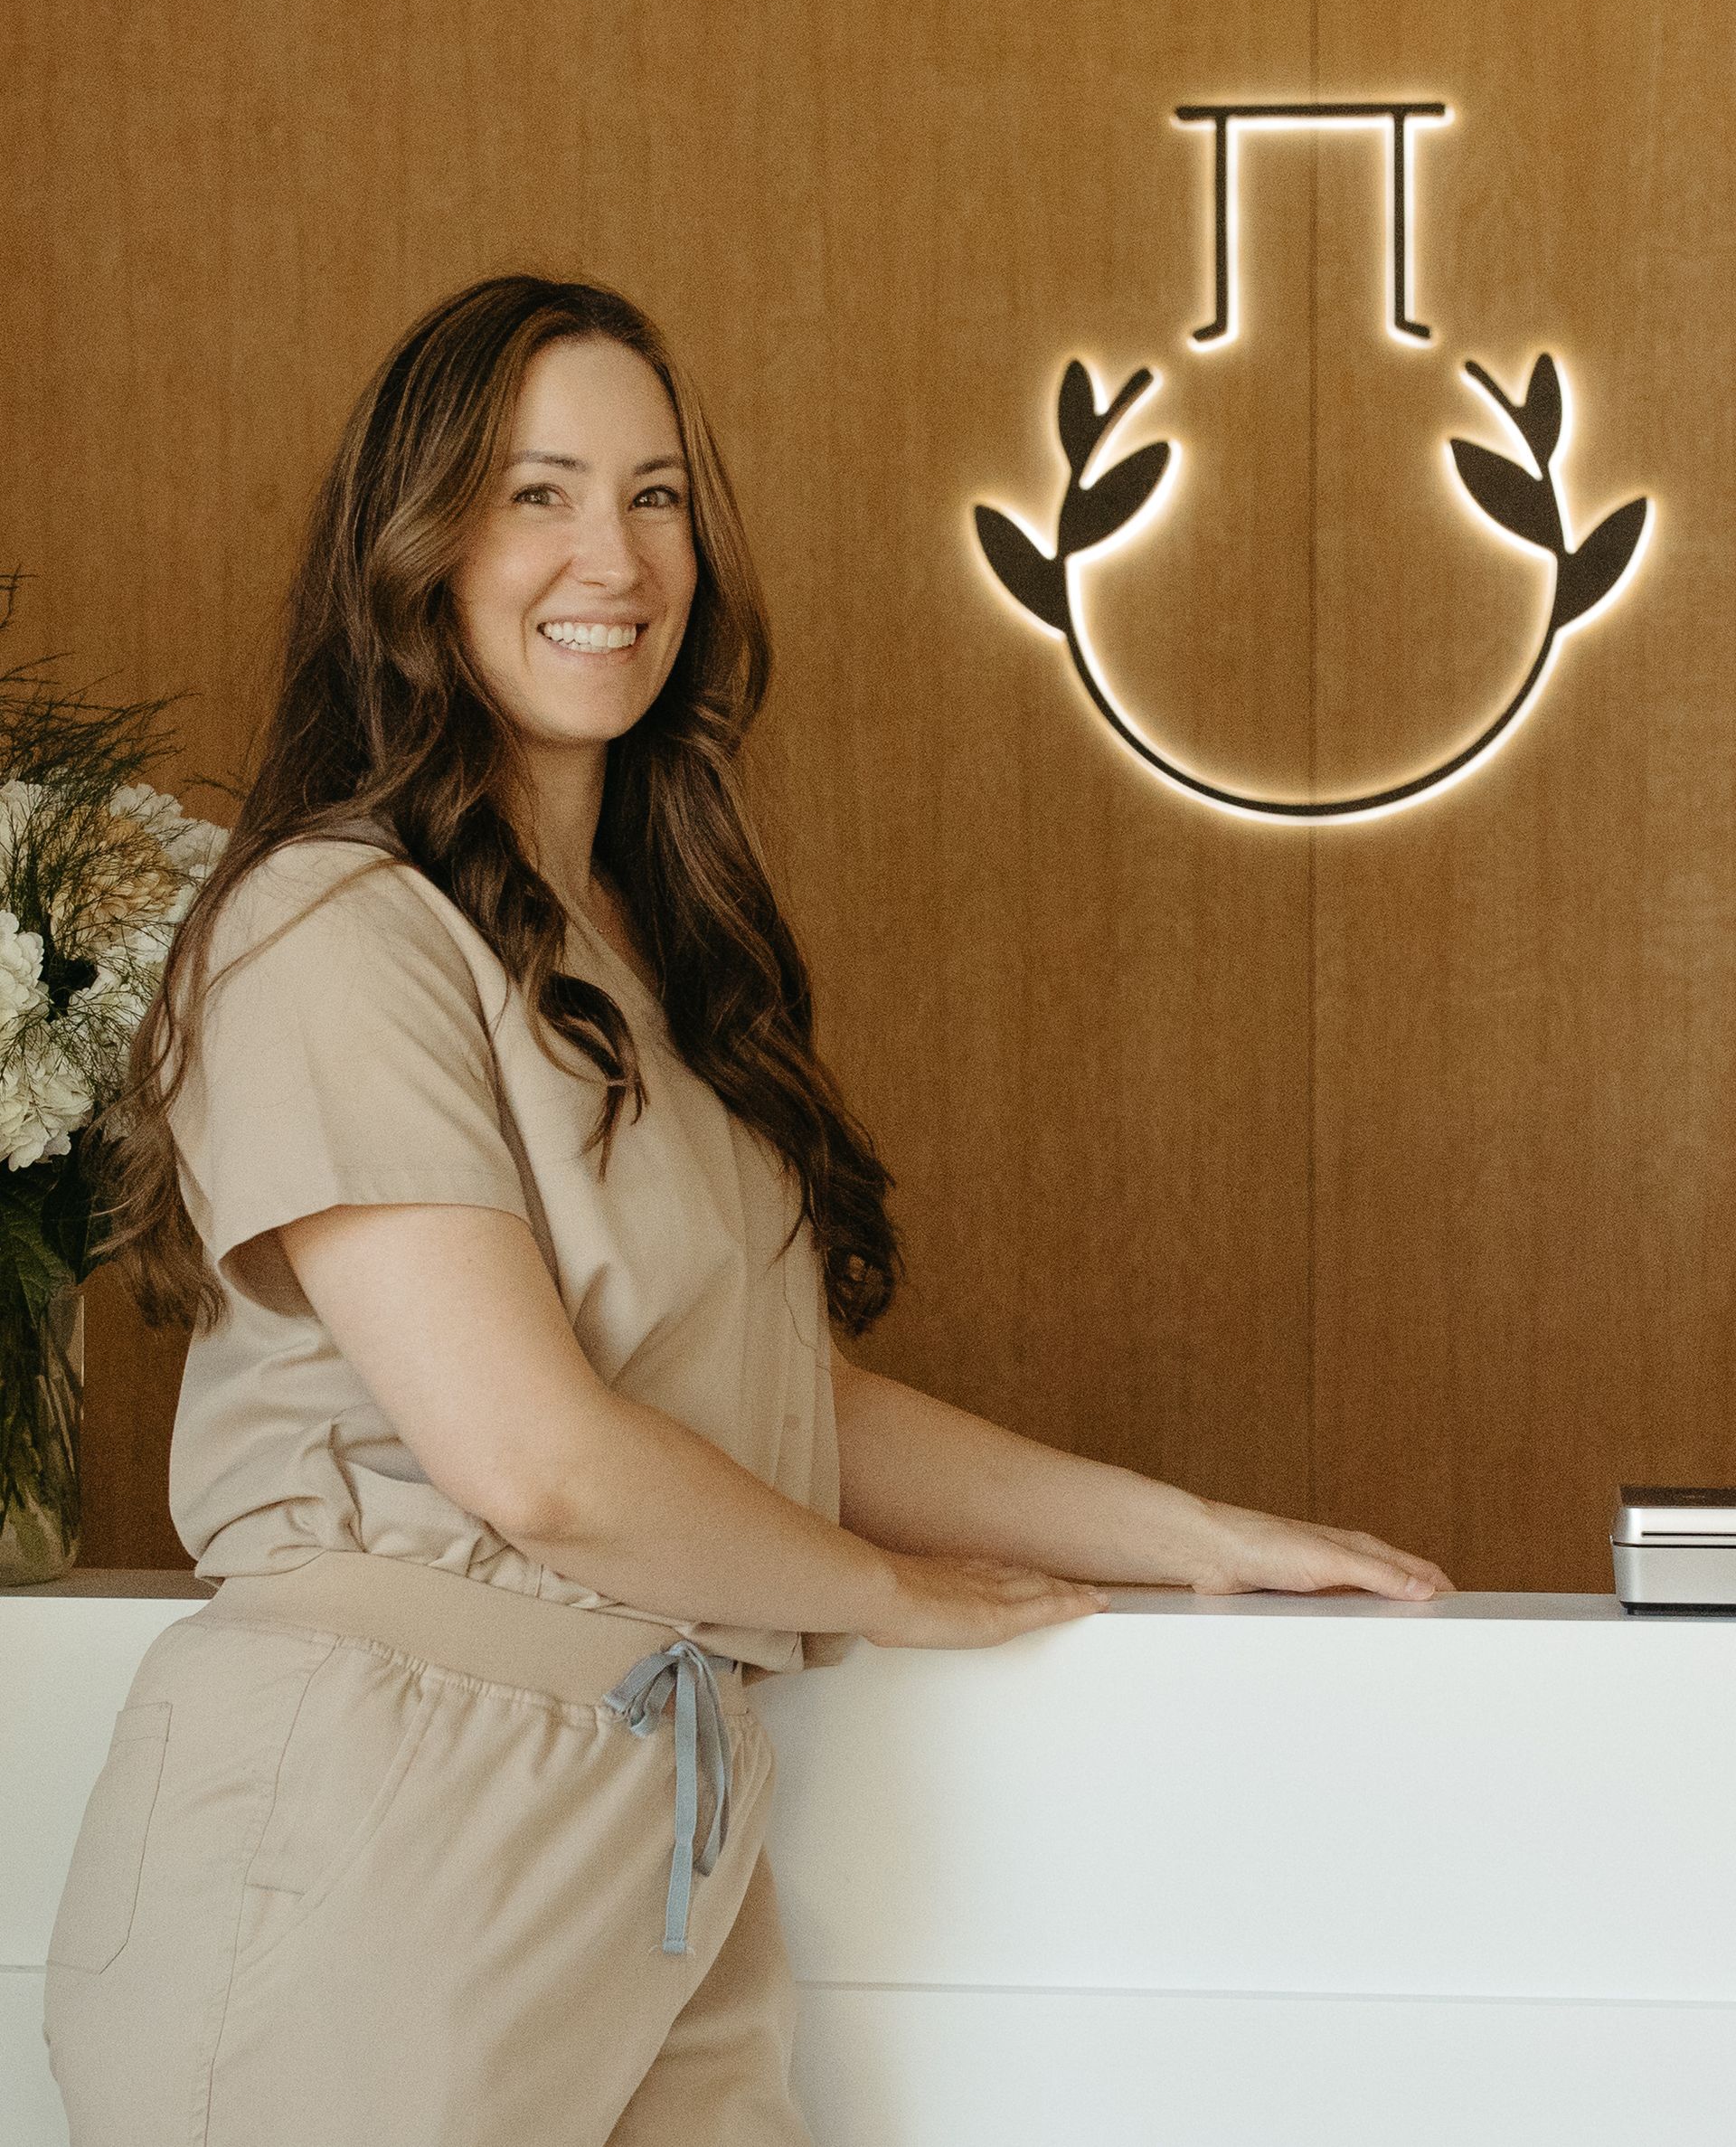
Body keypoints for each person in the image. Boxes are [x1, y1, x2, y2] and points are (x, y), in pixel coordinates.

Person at [42, 273, 1452, 2147]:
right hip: (370, 1830)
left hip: (659, 1818)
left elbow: (783, 1410)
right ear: (415, 549)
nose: (615, 556)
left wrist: (1197, 1533)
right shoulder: (331, 925)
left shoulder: (635, 961)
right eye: (537, 492)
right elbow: (537, 1458)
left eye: (657, 495)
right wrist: (890, 1597)